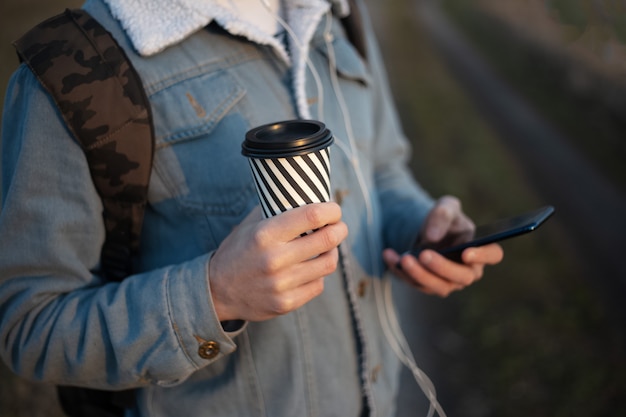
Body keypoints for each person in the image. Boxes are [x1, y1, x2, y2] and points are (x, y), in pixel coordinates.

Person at [0, 0, 503, 416]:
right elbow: (31, 326)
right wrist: (216, 295)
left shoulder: (335, 15)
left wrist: (420, 228)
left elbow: (383, 170)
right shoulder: (77, 66)